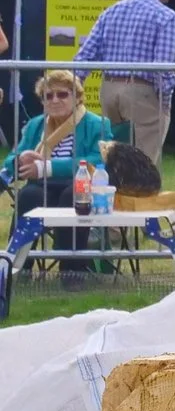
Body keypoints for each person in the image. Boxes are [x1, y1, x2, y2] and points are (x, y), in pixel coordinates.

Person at [76, 0, 175, 162]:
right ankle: (139, 194)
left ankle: (111, 194)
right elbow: (162, 67)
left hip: (108, 90)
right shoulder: (167, 17)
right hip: (143, 93)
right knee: (143, 162)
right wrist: (164, 103)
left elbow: (85, 54)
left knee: (112, 158)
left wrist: (76, 84)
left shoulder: (111, 11)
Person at [11, 68, 116, 274]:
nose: (55, 100)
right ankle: (18, 268)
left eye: (62, 94)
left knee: (74, 195)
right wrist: (19, 160)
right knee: (28, 195)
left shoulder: (97, 124)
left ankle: (72, 270)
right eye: (48, 96)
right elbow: (11, 159)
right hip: (43, 187)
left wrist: (46, 168)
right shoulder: (35, 125)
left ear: (77, 97)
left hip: (81, 186)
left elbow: (98, 159)